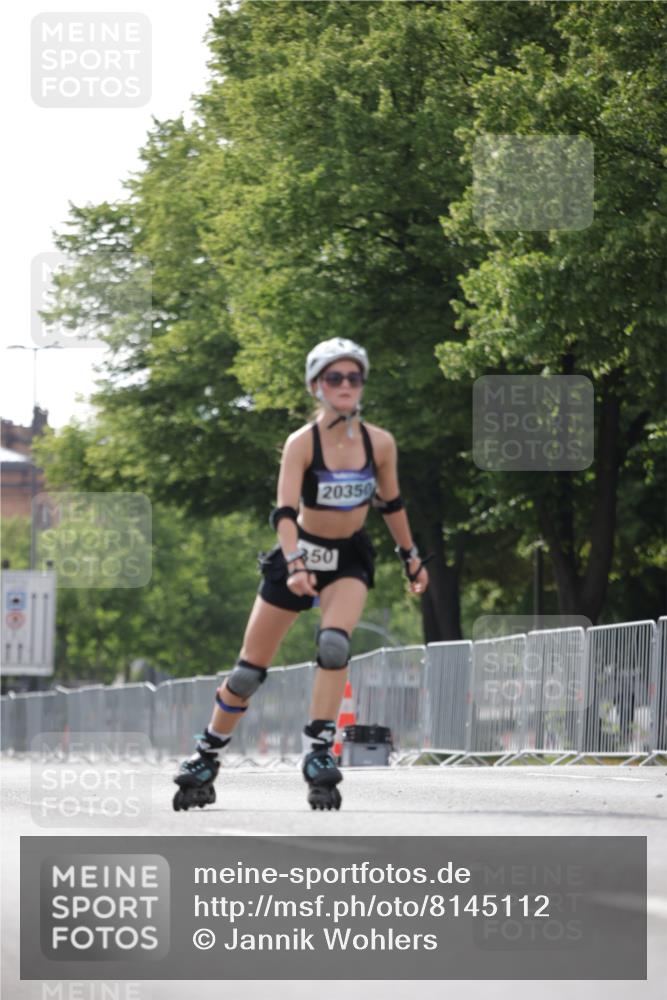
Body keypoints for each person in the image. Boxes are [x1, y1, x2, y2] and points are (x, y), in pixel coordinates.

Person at [173, 337, 431, 811]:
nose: (346, 385)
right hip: (300, 551)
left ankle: (318, 752)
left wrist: (411, 556)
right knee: (248, 672)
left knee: (334, 645)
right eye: (335, 377)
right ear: (317, 386)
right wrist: (294, 563)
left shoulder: (380, 443)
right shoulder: (301, 443)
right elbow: (285, 512)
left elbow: (391, 504)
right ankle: (206, 754)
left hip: (350, 557)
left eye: (354, 377)